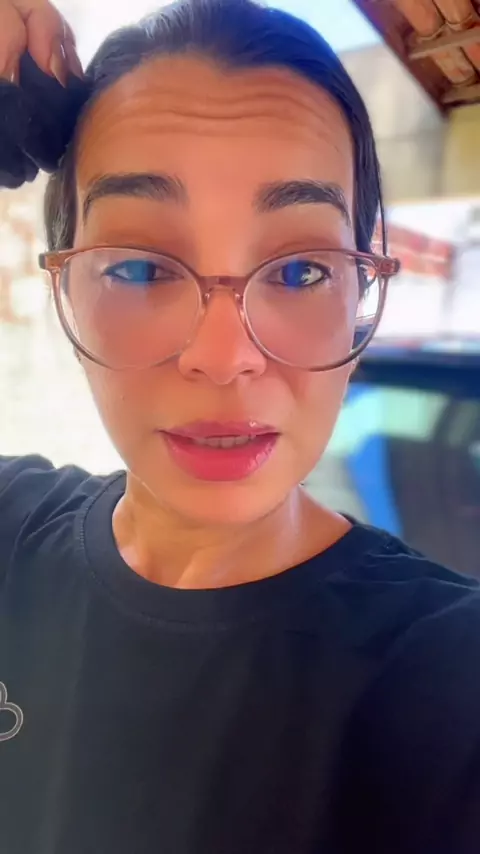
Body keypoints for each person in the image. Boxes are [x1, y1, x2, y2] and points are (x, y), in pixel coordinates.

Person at [0, 1, 479, 852]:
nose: (223, 360)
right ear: (63, 284)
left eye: (300, 271)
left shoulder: (448, 678)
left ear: (361, 289)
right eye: (138, 267)